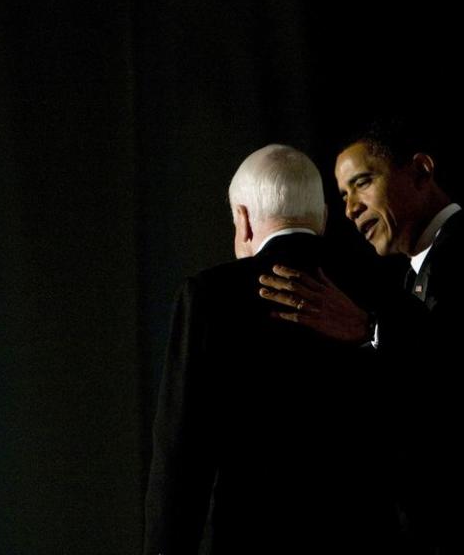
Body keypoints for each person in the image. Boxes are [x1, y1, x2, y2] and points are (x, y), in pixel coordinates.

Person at [258, 123, 464, 554]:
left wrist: (370, 329)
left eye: (362, 183)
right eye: (342, 197)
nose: (351, 208)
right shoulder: (405, 282)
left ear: (420, 171)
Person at [143, 144, 404, 555]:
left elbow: (181, 459)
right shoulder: (383, 287)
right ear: (322, 217)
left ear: (243, 220)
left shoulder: (208, 296)